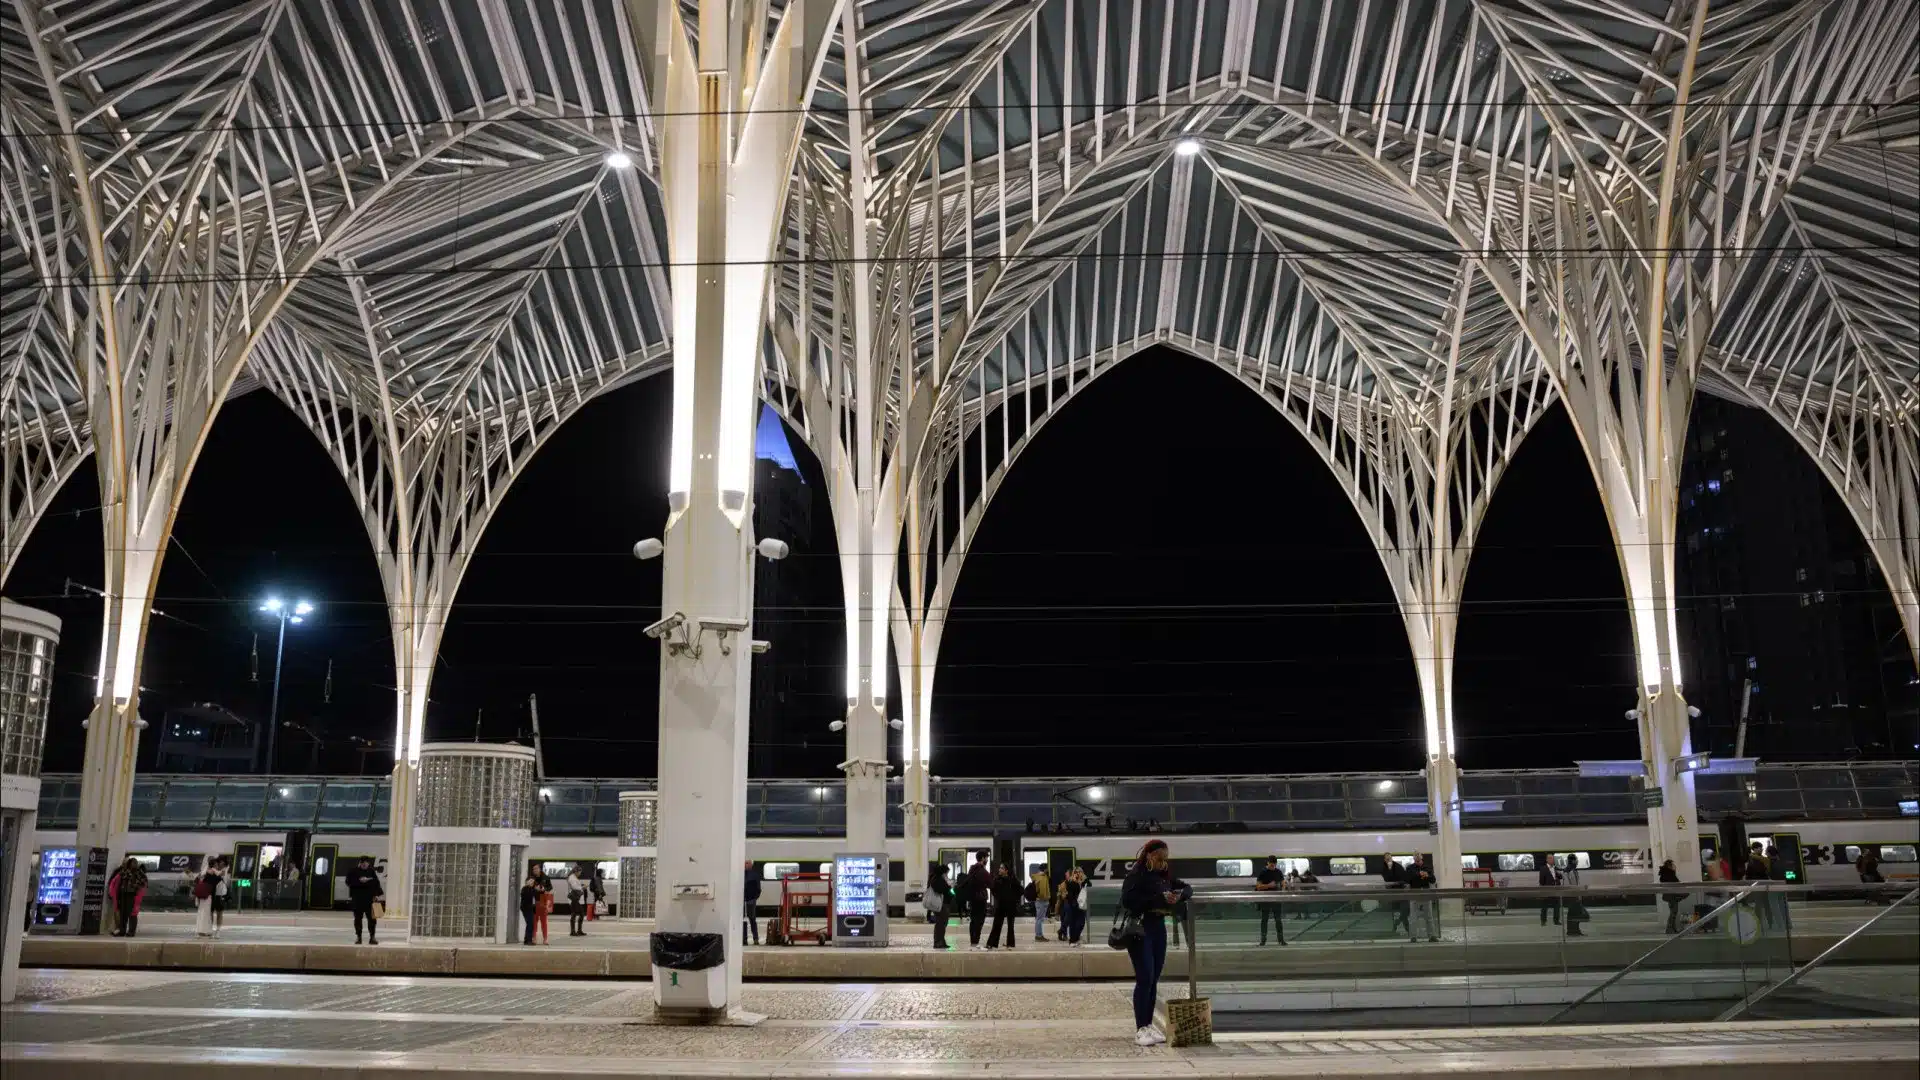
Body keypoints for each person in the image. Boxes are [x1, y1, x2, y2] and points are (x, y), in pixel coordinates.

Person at [1120, 839, 1189, 1047]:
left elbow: (1186, 888)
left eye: (1165, 859)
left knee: (1153, 979)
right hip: (1141, 929)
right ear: (1149, 856)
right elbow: (1127, 901)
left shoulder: (1164, 875)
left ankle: (1148, 1025)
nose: (1163, 863)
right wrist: (1158, 899)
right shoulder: (1136, 875)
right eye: (1160, 858)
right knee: (1145, 977)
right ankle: (1141, 1028)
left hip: (1158, 928)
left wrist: (1179, 895)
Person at [344, 855, 383, 944]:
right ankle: (359, 937)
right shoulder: (353, 871)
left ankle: (372, 937)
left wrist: (376, 894)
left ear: (368, 864)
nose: (365, 865)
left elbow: (377, 883)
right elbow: (348, 882)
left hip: (370, 899)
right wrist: (360, 881)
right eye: (363, 863)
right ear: (360, 863)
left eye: (366, 863)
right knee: (358, 919)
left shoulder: (371, 871)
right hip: (358, 899)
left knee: (372, 919)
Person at [109, 857, 147, 938]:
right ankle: (122, 931)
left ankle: (131, 932)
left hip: (132, 895)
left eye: (134, 863)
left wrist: (138, 896)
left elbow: (143, 886)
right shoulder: (124, 872)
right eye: (131, 863)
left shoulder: (139, 873)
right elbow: (116, 883)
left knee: (132, 914)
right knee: (123, 914)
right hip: (124, 894)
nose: (133, 865)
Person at [987, 863, 1022, 949]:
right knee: (996, 925)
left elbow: (1021, 890)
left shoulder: (1013, 880)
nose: (999, 869)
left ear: (1006, 870)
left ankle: (1010, 943)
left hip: (1011, 906)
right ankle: (992, 943)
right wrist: (998, 897)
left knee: (1011, 926)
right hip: (1001, 905)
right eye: (999, 868)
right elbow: (993, 890)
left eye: (1002, 868)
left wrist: (1013, 898)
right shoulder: (997, 879)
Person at [1407, 854, 1439, 942]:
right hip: (1414, 894)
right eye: (1416, 860)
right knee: (1413, 917)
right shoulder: (1410, 868)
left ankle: (1432, 936)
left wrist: (1427, 876)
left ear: (1422, 859)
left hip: (1425, 893)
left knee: (1429, 916)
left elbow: (1433, 879)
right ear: (1414, 860)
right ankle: (1413, 937)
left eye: (1419, 860)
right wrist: (1420, 874)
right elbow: (1409, 878)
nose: (1418, 862)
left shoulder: (1427, 868)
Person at [1255, 856, 1286, 946]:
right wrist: (1269, 885)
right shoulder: (1263, 872)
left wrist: (1283, 890)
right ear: (1267, 863)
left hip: (1276, 899)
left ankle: (1281, 939)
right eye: (1271, 864)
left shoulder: (1278, 872)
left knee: (1278, 920)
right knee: (1264, 920)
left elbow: (1283, 883)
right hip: (1265, 899)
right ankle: (1263, 940)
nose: (1272, 866)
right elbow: (1258, 886)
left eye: (1274, 864)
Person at [965, 851, 992, 948]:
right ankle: (976, 941)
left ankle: (973, 941)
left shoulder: (972, 869)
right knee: (979, 920)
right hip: (981, 899)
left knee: (973, 920)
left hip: (972, 898)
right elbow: (991, 883)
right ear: (983, 858)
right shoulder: (982, 871)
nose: (987, 860)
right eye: (986, 858)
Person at [928, 862, 955, 950]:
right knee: (941, 924)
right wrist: (949, 886)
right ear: (943, 872)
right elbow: (942, 890)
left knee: (942, 924)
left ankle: (941, 941)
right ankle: (938, 942)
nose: (947, 875)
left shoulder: (937, 879)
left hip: (942, 904)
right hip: (941, 905)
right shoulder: (937, 880)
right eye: (946, 873)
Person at [193, 860, 223, 937]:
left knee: (202, 912)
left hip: (203, 895)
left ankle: (201, 930)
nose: (217, 866)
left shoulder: (204, 872)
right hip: (208, 895)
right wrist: (223, 870)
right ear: (213, 865)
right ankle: (206, 931)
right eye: (216, 865)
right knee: (207, 913)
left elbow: (196, 879)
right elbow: (220, 874)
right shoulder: (212, 871)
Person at [1381, 853, 1409, 935]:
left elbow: (1404, 878)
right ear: (1385, 860)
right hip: (1392, 893)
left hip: (1401, 892)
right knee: (1394, 912)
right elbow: (1386, 879)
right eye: (1387, 859)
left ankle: (1400, 925)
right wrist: (1389, 869)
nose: (1388, 860)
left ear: (1392, 858)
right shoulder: (1384, 868)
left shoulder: (1398, 867)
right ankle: (1397, 928)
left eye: (1389, 859)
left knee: (1405, 911)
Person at [1659, 858, 1686, 933]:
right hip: (1672, 896)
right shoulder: (1670, 874)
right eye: (1673, 865)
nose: (1674, 867)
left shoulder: (1665, 874)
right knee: (1673, 912)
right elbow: (1676, 883)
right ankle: (1670, 928)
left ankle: (1672, 928)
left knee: (1673, 912)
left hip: (1670, 895)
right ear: (1669, 866)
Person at [1537, 855, 1562, 928]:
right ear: (1547, 860)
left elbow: (1559, 877)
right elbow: (1541, 881)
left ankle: (1556, 920)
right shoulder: (1543, 869)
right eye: (1551, 859)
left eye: (1553, 859)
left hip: (1556, 889)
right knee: (1544, 906)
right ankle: (1543, 921)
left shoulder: (1555, 868)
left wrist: (1559, 874)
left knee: (1557, 905)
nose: (1552, 860)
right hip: (1547, 890)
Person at [1028, 868, 1052, 942]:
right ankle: (1038, 936)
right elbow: (1042, 891)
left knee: (1039, 919)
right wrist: (1045, 898)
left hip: (1039, 901)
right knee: (1039, 919)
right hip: (1041, 901)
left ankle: (1039, 935)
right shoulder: (1042, 877)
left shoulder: (1038, 877)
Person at [742, 860, 762, 946]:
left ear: (751, 865)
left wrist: (754, 898)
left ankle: (755, 938)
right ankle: (744, 939)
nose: (745, 864)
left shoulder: (754, 875)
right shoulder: (740, 874)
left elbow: (758, 889)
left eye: (747, 863)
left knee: (752, 919)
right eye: (745, 863)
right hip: (741, 900)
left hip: (751, 900)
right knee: (742, 921)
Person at [533, 869, 554, 945]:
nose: (535, 870)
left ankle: (545, 939)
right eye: (534, 869)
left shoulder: (546, 878)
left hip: (542, 898)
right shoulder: (532, 878)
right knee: (534, 921)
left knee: (543, 921)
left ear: (540, 869)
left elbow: (550, 888)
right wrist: (534, 888)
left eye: (536, 869)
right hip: (534, 900)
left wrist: (544, 889)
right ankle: (534, 938)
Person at [566, 866, 588, 937]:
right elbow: (574, 887)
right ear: (576, 871)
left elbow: (576, 885)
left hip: (576, 899)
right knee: (577, 914)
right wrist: (582, 887)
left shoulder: (573, 877)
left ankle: (578, 930)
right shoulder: (572, 878)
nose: (580, 874)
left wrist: (581, 885)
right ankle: (574, 931)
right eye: (579, 872)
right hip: (574, 899)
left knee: (577, 914)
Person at [520, 874, 539, 945]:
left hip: (530, 908)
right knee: (530, 923)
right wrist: (534, 890)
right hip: (526, 908)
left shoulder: (532, 889)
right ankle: (528, 940)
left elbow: (536, 898)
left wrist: (536, 890)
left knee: (531, 924)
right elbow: (527, 896)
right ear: (527, 881)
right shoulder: (525, 888)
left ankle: (527, 939)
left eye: (533, 882)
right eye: (530, 881)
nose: (532, 883)